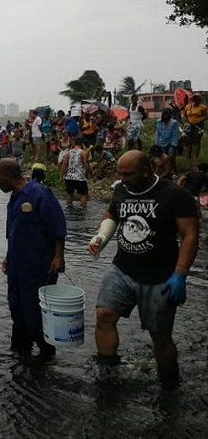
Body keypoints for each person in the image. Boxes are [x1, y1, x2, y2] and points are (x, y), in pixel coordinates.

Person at [87, 150, 199, 389]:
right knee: (104, 315)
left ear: (146, 171)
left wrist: (180, 273)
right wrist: (101, 237)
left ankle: (169, 386)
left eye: (128, 174)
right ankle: (107, 377)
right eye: (120, 173)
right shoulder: (121, 190)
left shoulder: (174, 195)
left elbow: (190, 235)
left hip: (160, 276)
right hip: (122, 268)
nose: (122, 178)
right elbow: (112, 213)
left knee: (159, 335)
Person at [0, 158, 66, 357]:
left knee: (35, 312)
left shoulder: (39, 194)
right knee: (16, 308)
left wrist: (59, 256)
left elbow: (58, 226)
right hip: (18, 264)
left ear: (9, 177)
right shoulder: (15, 197)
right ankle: (20, 353)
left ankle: (46, 356)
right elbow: (14, 232)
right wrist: (8, 257)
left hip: (39, 265)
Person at [60, 136, 91, 208]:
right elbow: (86, 165)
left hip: (69, 176)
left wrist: (61, 176)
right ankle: (82, 209)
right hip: (80, 177)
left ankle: (68, 208)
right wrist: (87, 174)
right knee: (83, 194)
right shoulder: (83, 153)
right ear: (82, 144)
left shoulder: (68, 153)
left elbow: (64, 165)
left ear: (74, 143)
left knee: (70, 194)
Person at [183, 94, 207, 161]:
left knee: (197, 141)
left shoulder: (203, 107)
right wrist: (187, 121)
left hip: (198, 126)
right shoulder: (188, 107)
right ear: (193, 100)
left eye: (199, 100)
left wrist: (199, 120)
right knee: (188, 141)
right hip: (189, 126)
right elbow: (185, 115)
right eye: (197, 99)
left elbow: (205, 116)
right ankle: (188, 157)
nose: (198, 101)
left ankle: (196, 157)